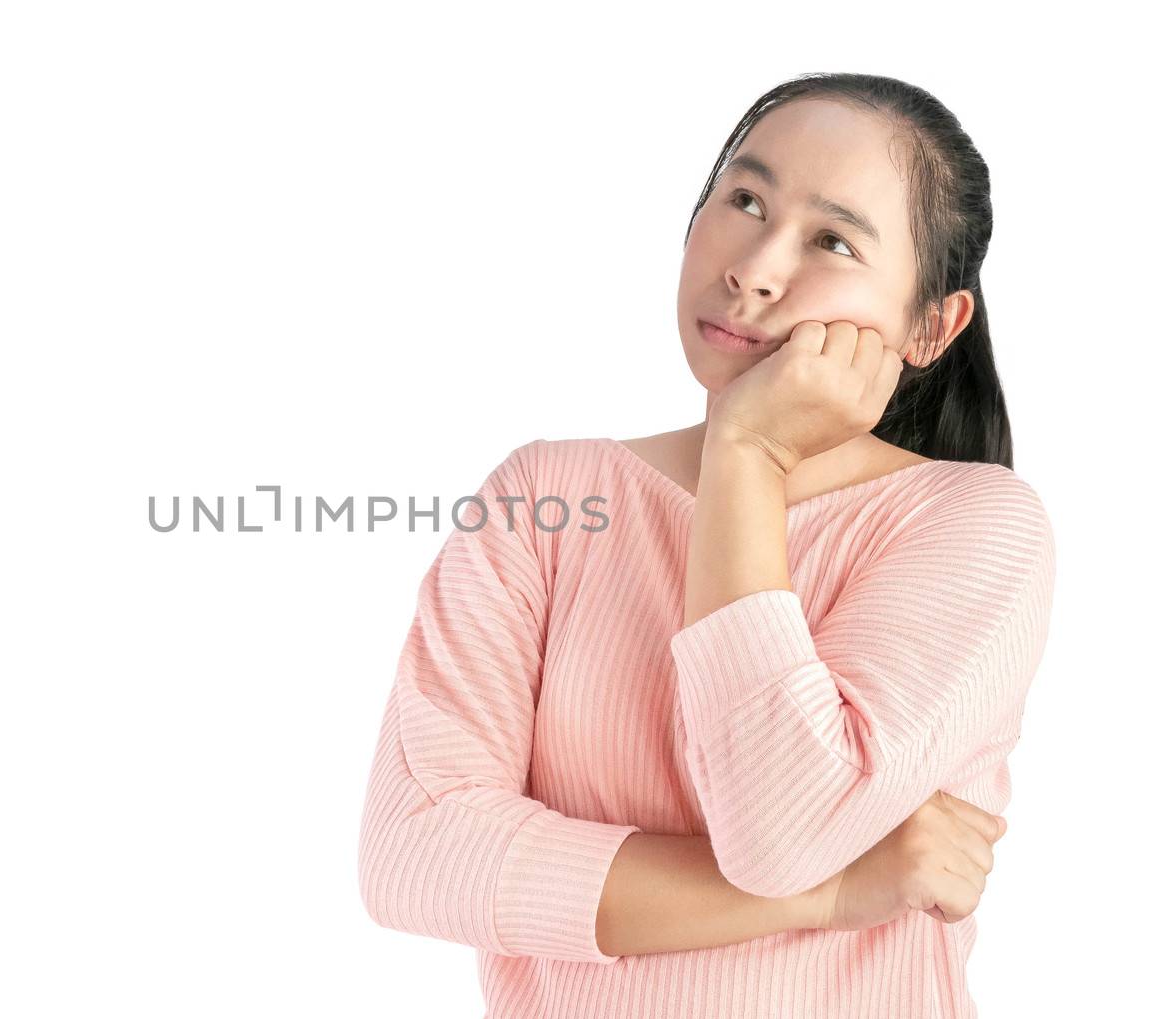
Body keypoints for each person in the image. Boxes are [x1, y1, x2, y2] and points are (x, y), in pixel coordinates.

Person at [356, 73, 1056, 1018]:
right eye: (746, 199)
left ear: (931, 326)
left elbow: (781, 825)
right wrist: (834, 892)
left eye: (832, 240)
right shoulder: (544, 499)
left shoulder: (971, 523)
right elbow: (415, 853)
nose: (756, 266)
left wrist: (751, 451)